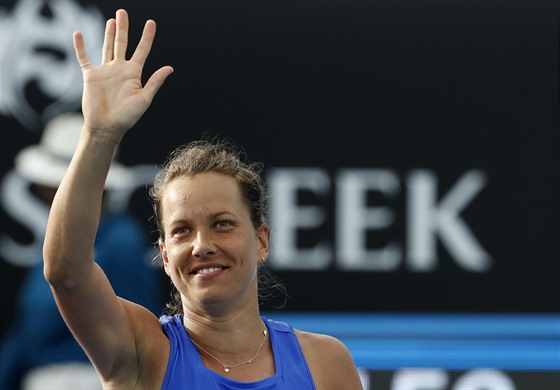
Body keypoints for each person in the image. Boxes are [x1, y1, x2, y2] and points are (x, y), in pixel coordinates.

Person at [43, 8, 363, 389]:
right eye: (181, 231)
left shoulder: (326, 363)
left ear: (262, 239)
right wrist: (99, 136)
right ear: (164, 255)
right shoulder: (142, 351)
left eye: (222, 223)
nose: (202, 246)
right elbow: (67, 273)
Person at [0, 113, 163, 390]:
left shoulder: (120, 242)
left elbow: (140, 333)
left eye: (51, 185)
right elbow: (32, 330)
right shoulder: (57, 240)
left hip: (91, 378)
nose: (43, 191)